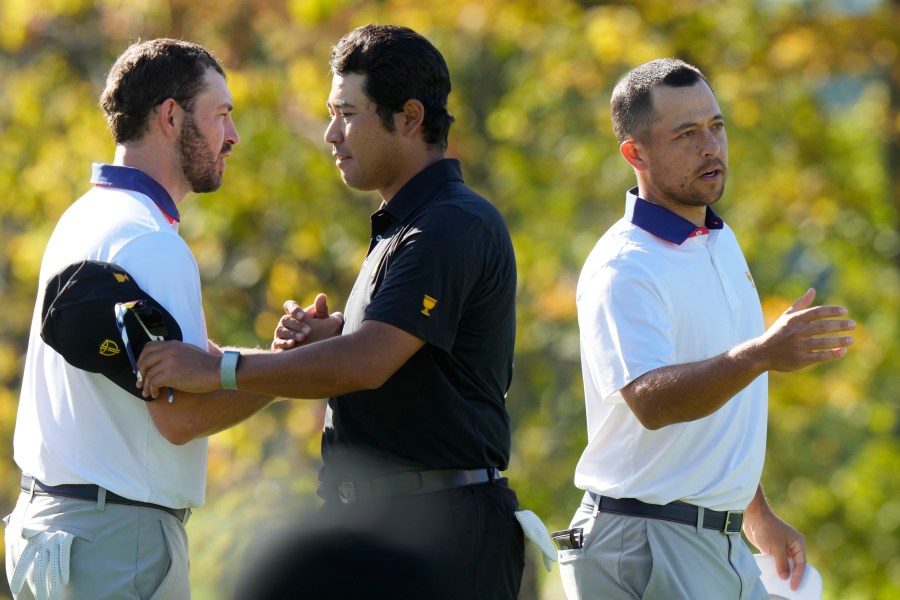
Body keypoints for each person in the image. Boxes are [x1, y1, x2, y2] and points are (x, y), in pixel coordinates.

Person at [136, 24, 525, 599]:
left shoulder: (449, 223)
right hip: (390, 528)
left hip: (446, 533)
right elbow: (397, 356)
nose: (330, 133)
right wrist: (334, 335)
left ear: (411, 118)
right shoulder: (409, 223)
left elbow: (366, 364)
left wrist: (218, 369)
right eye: (331, 112)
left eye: (348, 113)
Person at [4, 38, 327, 599]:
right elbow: (180, 419)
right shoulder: (151, 241)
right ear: (172, 116)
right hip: (116, 543)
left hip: (45, 534)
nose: (233, 136)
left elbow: (172, 364)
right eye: (221, 114)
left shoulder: (83, 218)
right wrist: (291, 369)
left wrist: (264, 357)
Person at [556, 58, 856, 599]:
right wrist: (760, 355)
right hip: (644, 541)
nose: (710, 147)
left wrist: (754, 511)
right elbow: (651, 401)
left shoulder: (720, 240)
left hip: (712, 539)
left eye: (716, 127)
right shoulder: (624, 266)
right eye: (687, 134)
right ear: (635, 153)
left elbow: (714, 406)